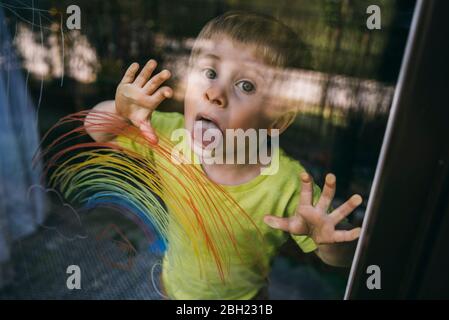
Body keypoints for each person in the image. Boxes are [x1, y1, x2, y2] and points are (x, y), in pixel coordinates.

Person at [85, 11, 362, 299]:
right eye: (210, 73)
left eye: (246, 85)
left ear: (276, 122)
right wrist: (119, 112)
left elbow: (342, 256)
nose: (215, 93)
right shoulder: (167, 136)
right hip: (174, 288)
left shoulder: (288, 184)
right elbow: (95, 130)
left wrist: (329, 242)